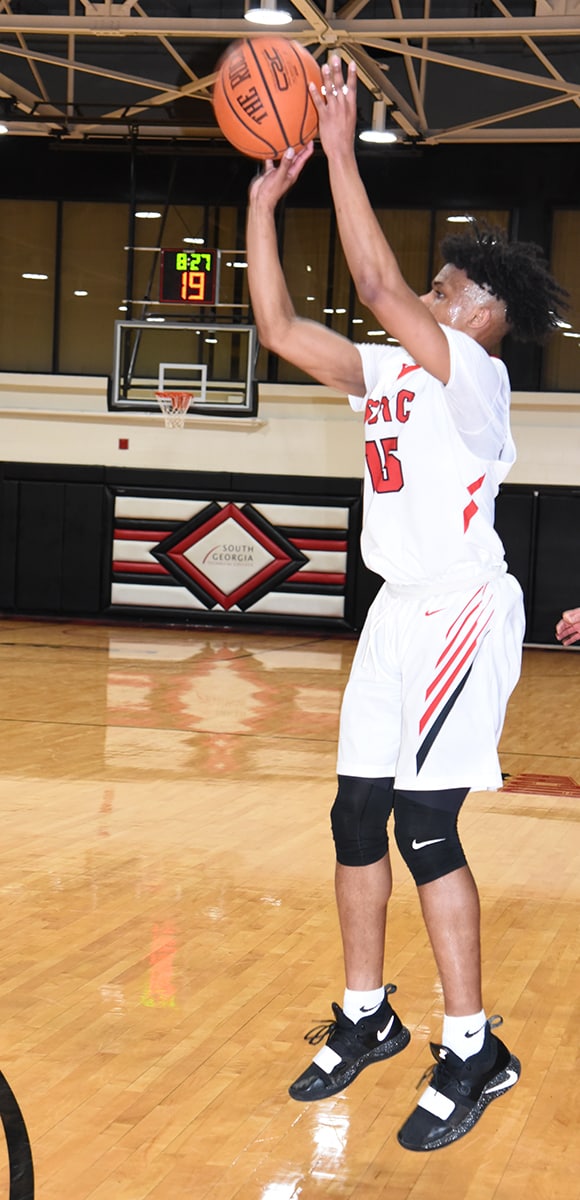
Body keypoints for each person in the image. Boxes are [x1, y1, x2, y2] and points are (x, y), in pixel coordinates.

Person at [246, 56, 568, 1153]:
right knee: (352, 818)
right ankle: (366, 1013)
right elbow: (285, 331)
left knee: (425, 829)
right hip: (397, 612)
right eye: (432, 284)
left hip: (461, 612)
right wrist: (257, 207)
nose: (427, 291)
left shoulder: (473, 380)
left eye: (446, 287)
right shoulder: (391, 375)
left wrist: (339, 150)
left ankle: (474, 1044)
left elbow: (377, 286)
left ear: (484, 314)